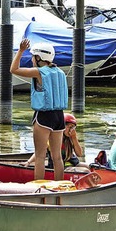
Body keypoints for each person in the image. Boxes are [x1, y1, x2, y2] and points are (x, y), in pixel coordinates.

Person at [11, 38, 68, 181]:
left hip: (44, 116)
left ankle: (39, 187)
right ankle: (60, 187)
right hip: (59, 117)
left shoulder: (39, 72)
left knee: (40, 156)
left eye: (32, 57)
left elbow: (13, 69)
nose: (31, 60)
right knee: (57, 157)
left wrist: (20, 51)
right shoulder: (60, 72)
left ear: (38, 57)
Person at [21, 113, 89, 172]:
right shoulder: (54, 139)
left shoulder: (70, 138)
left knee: (91, 167)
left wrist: (74, 138)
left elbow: (79, 154)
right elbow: (39, 152)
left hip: (72, 163)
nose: (71, 130)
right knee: (85, 171)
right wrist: (28, 162)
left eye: (73, 128)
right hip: (61, 167)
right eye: (70, 127)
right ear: (63, 126)